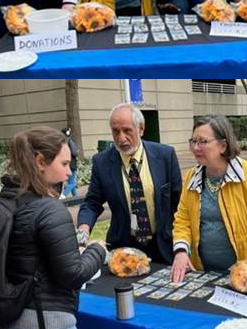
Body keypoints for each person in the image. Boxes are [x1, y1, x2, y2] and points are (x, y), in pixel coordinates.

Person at [4, 126, 106, 329]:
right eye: (65, 164)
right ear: (41, 162)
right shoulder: (50, 209)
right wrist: (98, 250)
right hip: (47, 318)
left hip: (13, 313)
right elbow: (73, 275)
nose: (69, 172)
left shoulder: (4, 199)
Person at [171, 115, 247, 282]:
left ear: (223, 145)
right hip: (203, 273)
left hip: (246, 275)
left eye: (203, 142)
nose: (196, 147)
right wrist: (180, 252)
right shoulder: (190, 178)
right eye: (193, 142)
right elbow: (182, 221)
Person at [77, 103, 182, 264]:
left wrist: (182, 245)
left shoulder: (165, 156)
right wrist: (83, 228)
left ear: (140, 129)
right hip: (124, 249)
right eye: (115, 131)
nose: (121, 138)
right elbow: (92, 202)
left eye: (127, 131)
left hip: (164, 246)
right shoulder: (102, 162)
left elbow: (179, 203)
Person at [60, 127, 78, 199]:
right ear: (68, 133)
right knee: (72, 182)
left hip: (64, 162)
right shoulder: (70, 141)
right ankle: (63, 194)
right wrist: (77, 151)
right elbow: (74, 152)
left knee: (71, 180)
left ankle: (75, 197)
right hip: (71, 163)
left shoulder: (61, 141)